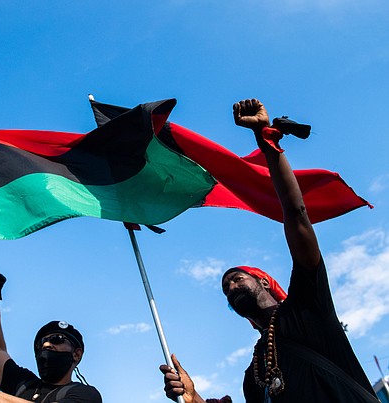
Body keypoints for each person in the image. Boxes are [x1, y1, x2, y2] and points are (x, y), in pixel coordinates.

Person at [160, 99, 377, 402]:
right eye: (226, 288)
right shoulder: (254, 376)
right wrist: (192, 396)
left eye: (237, 278)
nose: (231, 286)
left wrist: (266, 140)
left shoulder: (307, 308)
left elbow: (296, 213)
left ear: (263, 281)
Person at [0, 272, 102, 402]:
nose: (46, 345)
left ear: (76, 354)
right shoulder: (23, 384)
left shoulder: (86, 395)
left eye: (57, 339)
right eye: (41, 343)